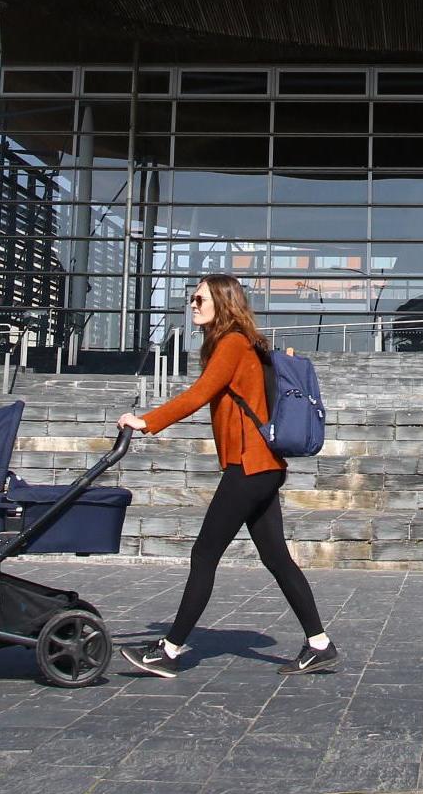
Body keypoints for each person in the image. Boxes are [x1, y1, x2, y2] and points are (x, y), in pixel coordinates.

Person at [115, 274, 337, 678]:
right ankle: (319, 643)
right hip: (262, 466)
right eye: (192, 298)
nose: (193, 304)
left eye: (200, 298)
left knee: (204, 555)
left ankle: (170, 649)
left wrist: (146, 422)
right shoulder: (237, 342)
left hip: (250, 468)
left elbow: (199, 394)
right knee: (276, 558)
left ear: (222, 300)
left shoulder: (233, 343)